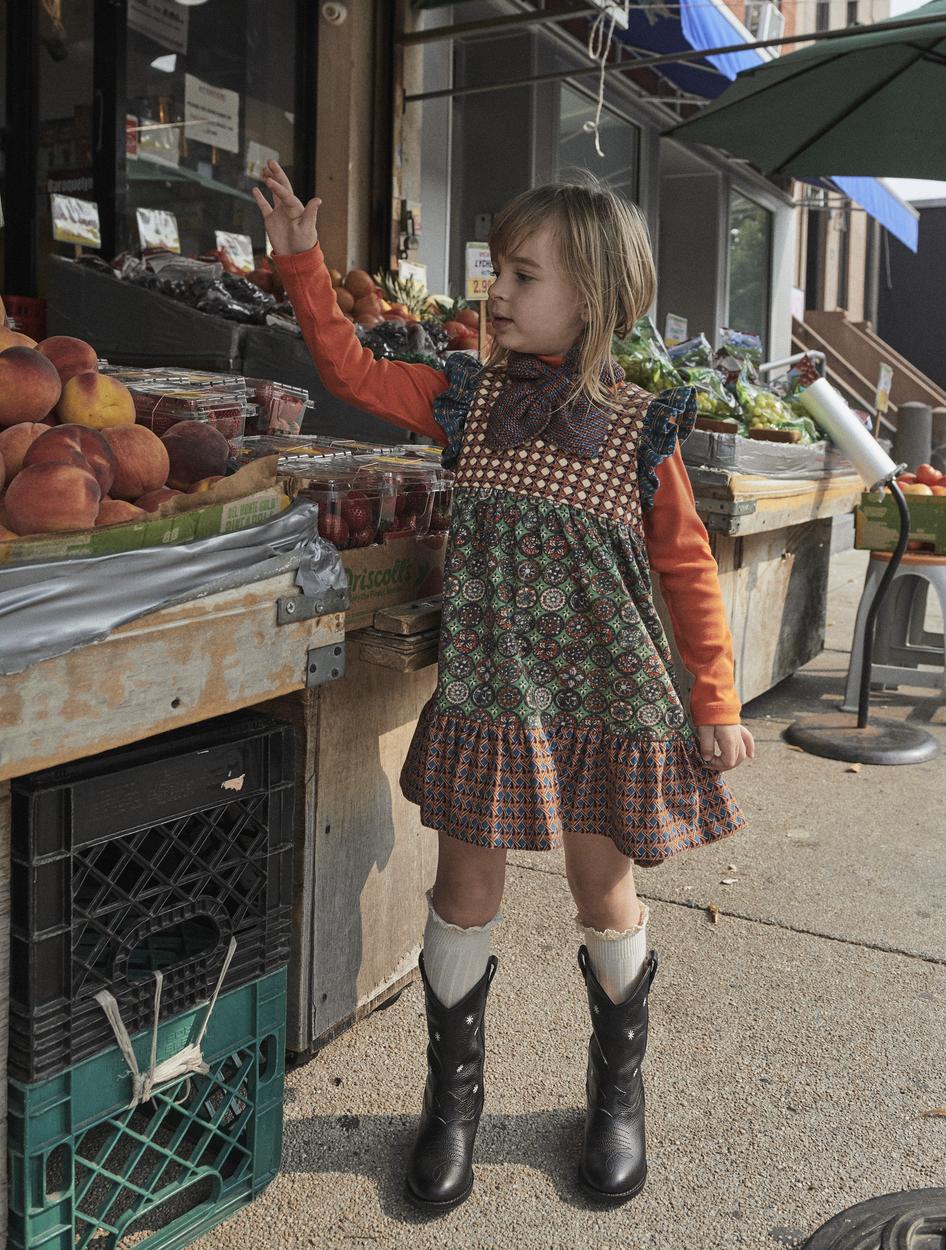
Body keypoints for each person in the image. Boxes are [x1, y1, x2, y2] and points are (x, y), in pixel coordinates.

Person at [254, 159, 754, 1212]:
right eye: (494, 269)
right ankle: (452, 1103)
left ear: (596, 298)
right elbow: (345, 366)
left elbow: (687, 567)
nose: (494, 290)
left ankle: (616, 1096)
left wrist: (712, 697)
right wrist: (304, 257)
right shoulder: (461, 398)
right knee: (462, 890)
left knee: (600, 890)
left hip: (606, 703)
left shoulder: (639, 428)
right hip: (490, 698)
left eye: (521, 274)